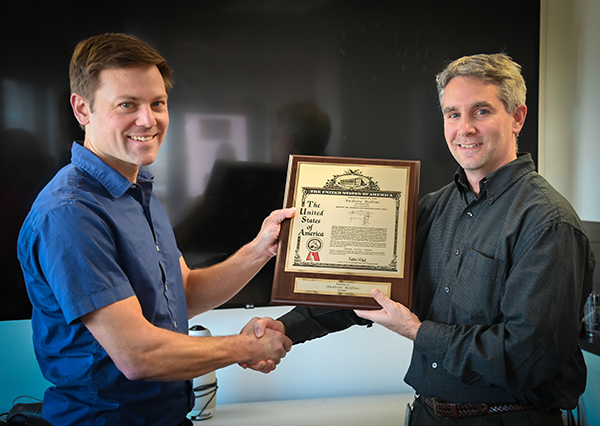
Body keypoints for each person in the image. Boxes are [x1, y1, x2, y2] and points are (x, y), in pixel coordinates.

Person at [249, 53, 596, 425]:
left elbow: (527, 358)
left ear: (517, 118)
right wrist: (284, 328)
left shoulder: (547, 223)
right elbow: (362, 290)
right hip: (427, 415)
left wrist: (417, 331)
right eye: (452, 114)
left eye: (481, 111)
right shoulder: (431, 208)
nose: (464, 128)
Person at [17, 33, 294, 426]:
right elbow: (137, 355)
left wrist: (261, 249)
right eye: (127, 105)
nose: (147, 120)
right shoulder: (70, 213)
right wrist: (244, 347)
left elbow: (183, 293)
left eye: (157, 103)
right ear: (82, 109)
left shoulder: (136, 188)